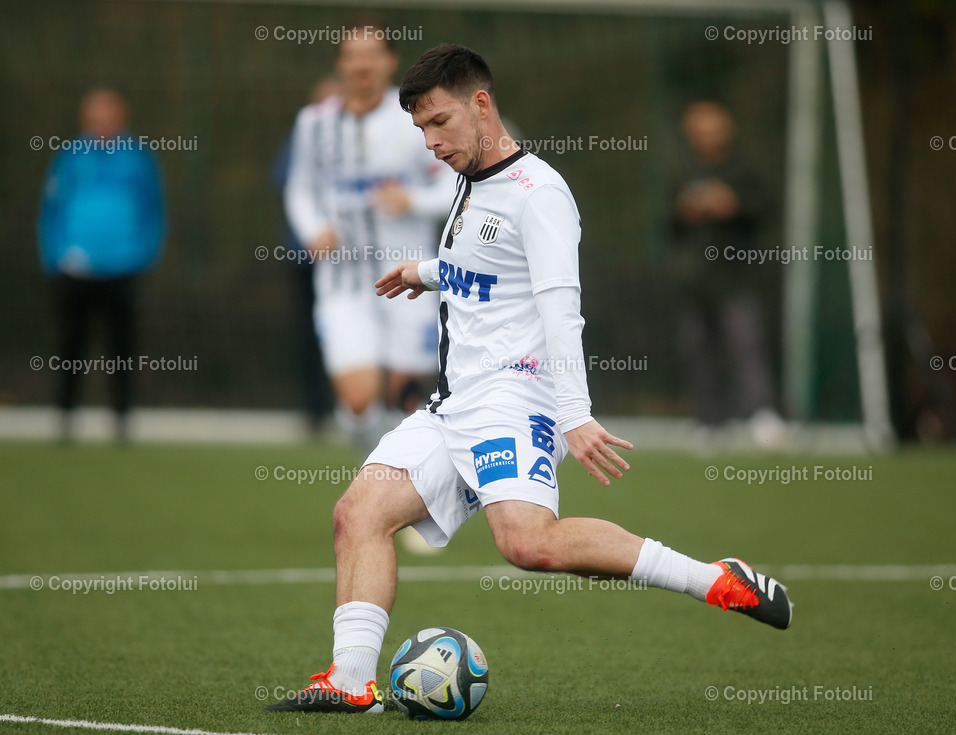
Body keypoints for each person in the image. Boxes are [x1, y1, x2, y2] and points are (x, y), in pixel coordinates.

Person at [265, 44, 792, 715]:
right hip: (455, 400)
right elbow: (484, 262)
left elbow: (559, 306)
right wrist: (423, 271)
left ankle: (714, 579)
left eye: (439, 123)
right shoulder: (470, 178)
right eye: (421, 129)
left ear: (481, 104)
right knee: (358, 513)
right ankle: (351, 679)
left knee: (528, 543)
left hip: (515, 396)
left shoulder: (539, 192)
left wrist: (574, 411)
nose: (430, 142)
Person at [285, 22, 455, 451]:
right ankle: (373, 472)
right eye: (352, 56)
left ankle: (401, 498)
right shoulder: (314, 123)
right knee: (359, 402)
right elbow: (300, 188)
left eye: (371, 54)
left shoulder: (416, 118)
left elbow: (453, 185)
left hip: (409, 277)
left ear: (389, 61)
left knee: (409, 398)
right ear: (342, 63)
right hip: (342, 279)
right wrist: (313, 229)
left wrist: (410, 199)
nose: (361, 64)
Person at [38, 88, 166, 442]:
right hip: (74, 269)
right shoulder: (71, 157)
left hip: (123, 268)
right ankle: (64, 418)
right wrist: (55, 256)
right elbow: (51, 209)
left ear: (121, 118)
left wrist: (142, 255)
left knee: (121, 350)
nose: (102, 122)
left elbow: (154, 209)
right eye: (95, 115)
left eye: (108, 114)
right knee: (70, 347)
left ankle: (121, 421)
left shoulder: (138, 159)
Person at [669, 102, 783, 442]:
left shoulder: (745, 167)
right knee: (697, 351)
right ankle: (709, 423)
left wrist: (732, 204)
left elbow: (767, 209)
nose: (705, 138)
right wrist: (685, 210)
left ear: (726, 131)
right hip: (694, 280)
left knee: (744, 345)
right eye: (698, 131)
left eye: (712, 130)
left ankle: (760, 416)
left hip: (737, 276)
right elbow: (666, 222)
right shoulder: (680, 170)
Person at [272, 76, 345, 438]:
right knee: (311, 336)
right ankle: (317, 412)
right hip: (308, 260)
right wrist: (315, 232)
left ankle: (356, 409)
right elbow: (289, 185)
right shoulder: (303, 136)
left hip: (356, 262)